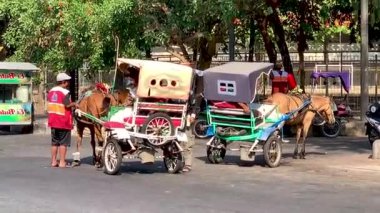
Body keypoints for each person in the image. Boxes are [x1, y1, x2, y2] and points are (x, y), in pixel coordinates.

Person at [47, 73, 78, 168]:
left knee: (54, 142)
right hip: (63, 121)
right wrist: (75, 104)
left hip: (53, 120)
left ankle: (53, 161)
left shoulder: (51, 91)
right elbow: (67, 105)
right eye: (67, 81)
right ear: (63, 82)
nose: (68, 83)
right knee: (63, 142)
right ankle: (62, 162)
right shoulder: (65, 92)